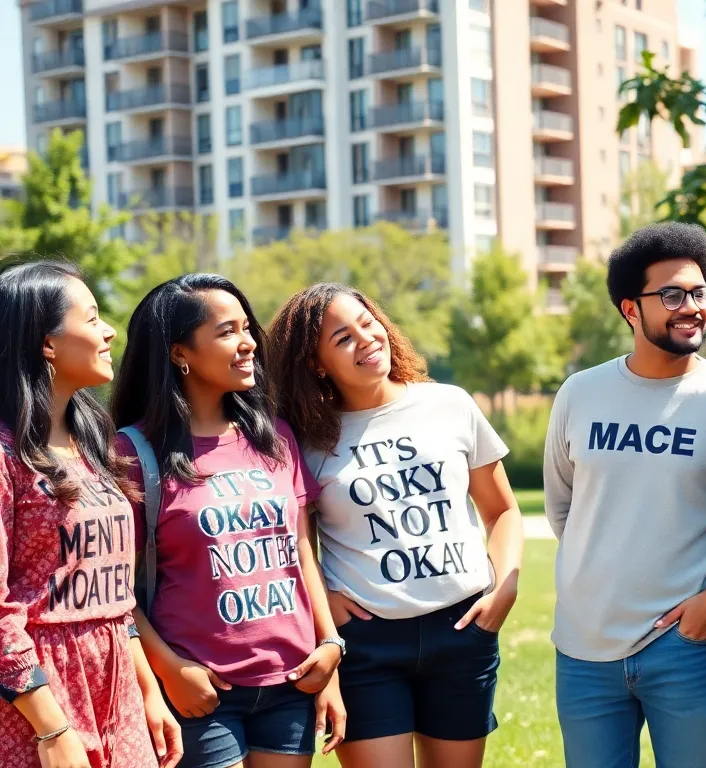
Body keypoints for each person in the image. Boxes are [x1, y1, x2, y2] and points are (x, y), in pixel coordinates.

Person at [268, 283, 523, 768]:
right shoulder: (303, 439)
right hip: (367, 643)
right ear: (316, 364)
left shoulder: (448, 405)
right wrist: (325, 598)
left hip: (463, 627)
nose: (366, 339)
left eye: (368, 323)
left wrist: (504, 588)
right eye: (342, 338)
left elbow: (503, 511)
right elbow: (292, 540)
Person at [111, 274, 346, 768]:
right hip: (200, 687)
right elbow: (112, 587)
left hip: (292, 678)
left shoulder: (275, 437)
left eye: (247, 328)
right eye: (226, 332)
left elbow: (302, 551)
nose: (248, 344)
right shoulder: (132, 453)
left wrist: (330, 646)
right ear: (180, 353)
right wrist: (168, 669)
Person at [543, 222, 706, 767]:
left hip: (684, 646)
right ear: (631, 309)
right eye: (672, 294)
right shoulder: (580, 393)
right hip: (583, 649)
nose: (692, 307)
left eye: (700, 292)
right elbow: (563, 506)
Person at [0, 261, 181, 768]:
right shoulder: (5, 456)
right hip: (35, 699)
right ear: (47, 343)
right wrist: (51, 728)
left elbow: (113, 594)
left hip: (117, 688)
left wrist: (147, 690)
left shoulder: (91, 443)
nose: (108, 331)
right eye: (93, 317)